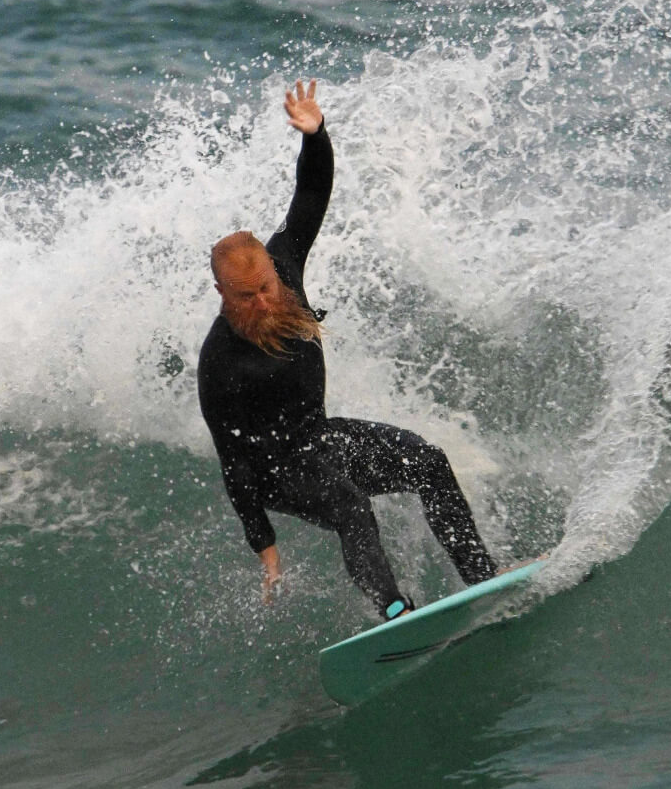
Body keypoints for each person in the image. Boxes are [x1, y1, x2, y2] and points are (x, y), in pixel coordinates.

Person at [197, 80, 499, 621]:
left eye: (266, 285)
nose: (265, 301)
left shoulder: (283, 265)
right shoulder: (221, 362)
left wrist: (315, 137)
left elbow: (310, 195)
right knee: (351, 507)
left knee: (428, 462)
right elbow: (233, 463)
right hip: (272, 468)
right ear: (223, 293)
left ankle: (483, 578)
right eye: (248, 296)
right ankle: (393, 612)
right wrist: (265, 549)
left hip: (317, 437)